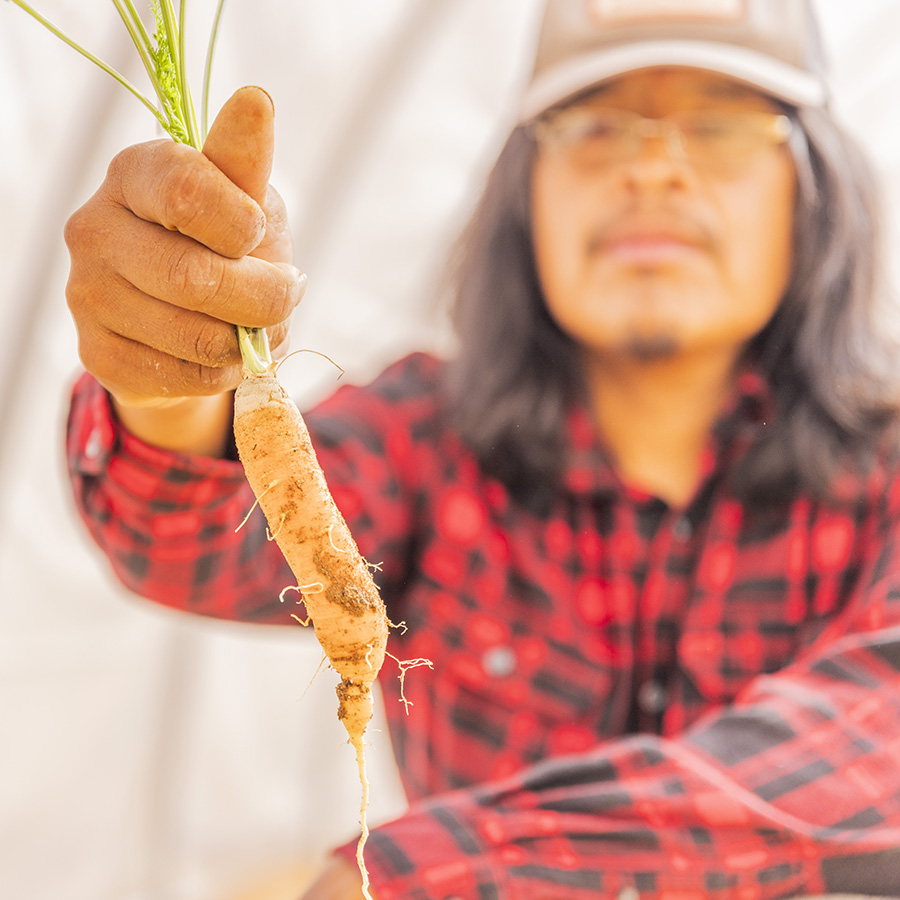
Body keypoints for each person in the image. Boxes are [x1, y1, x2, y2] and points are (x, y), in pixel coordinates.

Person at [63, 0, 900, 897]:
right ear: (524, 190)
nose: (654, 169)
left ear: (811, 191)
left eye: (723, 125)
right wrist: (164, 378)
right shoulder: (430, 440)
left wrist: (421, 878)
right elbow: (188, 539)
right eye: (596, 125)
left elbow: (868, 753)